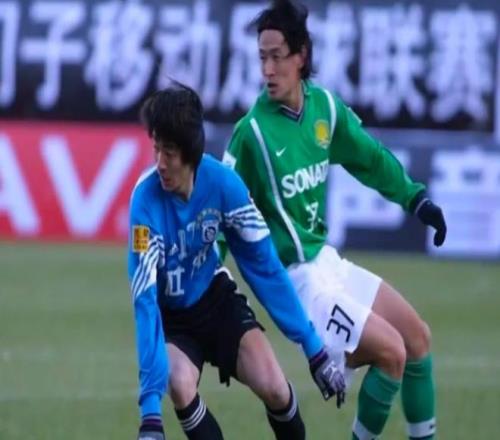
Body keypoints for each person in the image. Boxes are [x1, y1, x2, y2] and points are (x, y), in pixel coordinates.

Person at [222, 1, 447, 439]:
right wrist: (206, 274)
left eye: (277, 56)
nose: (267, 69)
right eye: (262, 57)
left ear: (301, 55)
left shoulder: (324, 106)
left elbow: (370, 157)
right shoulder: (251, 134)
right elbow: (219, 208)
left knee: (417, 339)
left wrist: (416, 199)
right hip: (299, 281)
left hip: (328, 262)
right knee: (392, 354)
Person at [127, 82, 345, 440]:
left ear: (191, 152)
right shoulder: (145, 203)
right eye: (156, 149)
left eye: (170, 152)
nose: (160, 163)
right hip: (173, 319)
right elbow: (145, 299)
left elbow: (265, 267)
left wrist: (314, 350)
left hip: (216, 300)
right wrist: (150, 415)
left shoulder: (225, 186)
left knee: (275, 388)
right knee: (179, 382)